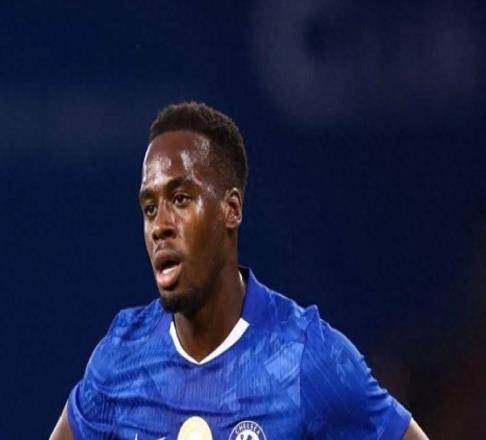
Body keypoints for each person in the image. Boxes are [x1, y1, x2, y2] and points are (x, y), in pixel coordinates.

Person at [50, 102, 428, 440]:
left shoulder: (304, 357)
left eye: (180, 199)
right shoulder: (122, 358)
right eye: (149, 208)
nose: (159, 225)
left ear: (231, 209)